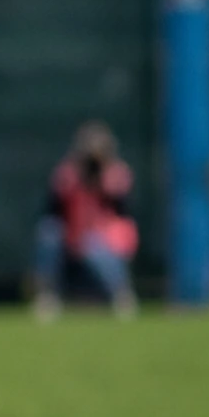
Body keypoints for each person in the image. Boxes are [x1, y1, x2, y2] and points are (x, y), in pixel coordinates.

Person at [34, 120, 137, 317]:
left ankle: (122, 295)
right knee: (49, 234)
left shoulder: (116, 175)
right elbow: (51, 213)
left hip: (102, 243)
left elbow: (124, 215)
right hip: (71, 239)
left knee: (96, 245)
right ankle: (47, 296)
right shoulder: (68, 174)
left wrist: (103, 183)